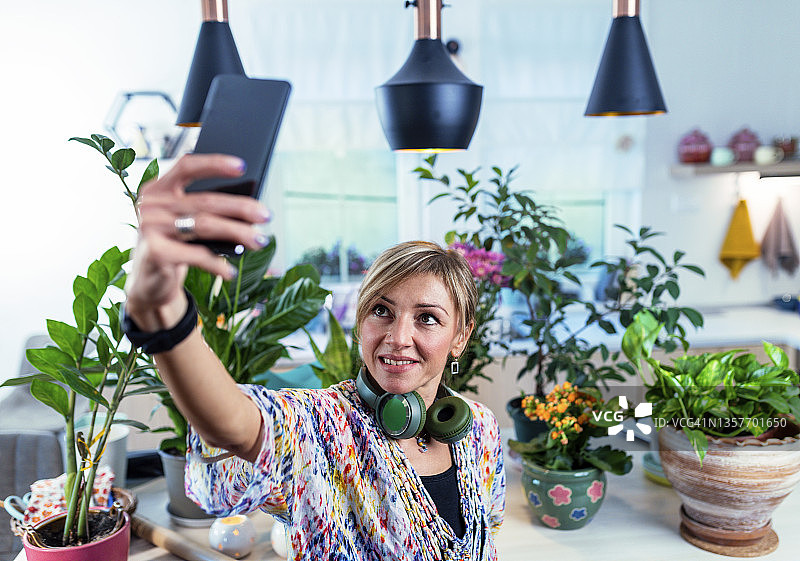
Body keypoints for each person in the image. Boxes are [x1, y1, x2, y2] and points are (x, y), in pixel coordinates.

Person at [123, 153, 505, 559]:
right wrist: (162, 315)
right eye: (382, 311)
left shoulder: (478, 429)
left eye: (427, 318)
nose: (398, 337)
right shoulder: (323, 429)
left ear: (460, 336)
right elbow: (234, 426)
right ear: (360, 323)